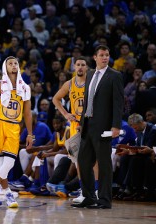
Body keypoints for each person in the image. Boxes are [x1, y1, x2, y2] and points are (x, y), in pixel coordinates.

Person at [72, 45, 123, 209]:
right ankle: (88, 196)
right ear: (95, 57)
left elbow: (118, 102)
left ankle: (105, 200)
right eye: (102, 55)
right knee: (83, 161)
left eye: (107, 55)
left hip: (104, 127)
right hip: (88, 124)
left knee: (104, 164)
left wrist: (116, 126)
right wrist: (81, 122)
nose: (105, 58)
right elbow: (87, 100)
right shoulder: (91, 74)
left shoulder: (115, 76)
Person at [0, 56, 33, 208]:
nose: (14, 65)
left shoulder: (25, 88)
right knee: (2, 164)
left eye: (16, 63)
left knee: (8, 163)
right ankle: (7, 193)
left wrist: (30, 133)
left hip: (14, 126)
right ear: (5, 67)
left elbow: (28, 114)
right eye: (10, 63)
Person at [52, 56, 99, 203]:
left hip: (89, 123)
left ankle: (96, 190)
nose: (80, 67)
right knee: (78, 160)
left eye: (82, 65)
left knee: (93, 159)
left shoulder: (92, 82)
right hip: (74, 125)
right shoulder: (69, 83)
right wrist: (66, 114)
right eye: (77, 65)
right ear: (74, 67)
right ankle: (83, 191)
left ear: (87, 68)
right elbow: (56, 99)